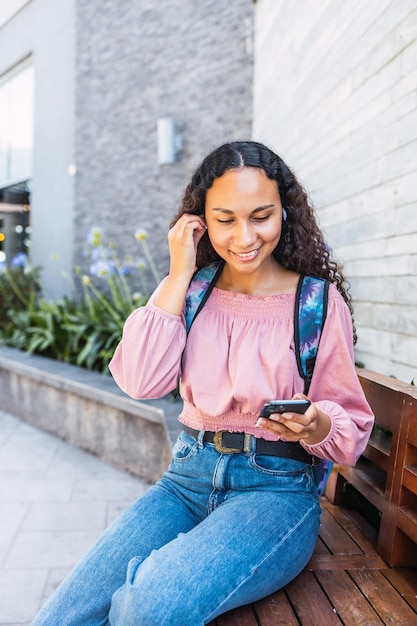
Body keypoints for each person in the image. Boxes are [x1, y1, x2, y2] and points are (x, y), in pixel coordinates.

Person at [32, 140, 374, 626]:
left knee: (149, 605)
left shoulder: (316, 303)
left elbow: (352, 425)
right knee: (61, 617)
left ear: (285, 212)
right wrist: (178, 273)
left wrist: (317, 424)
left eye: (261, 216)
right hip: (185, 481)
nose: (244, 236)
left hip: (274, 495)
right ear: (201, 222)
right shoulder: (191, 290)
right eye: (226, 219)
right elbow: (141, 381)